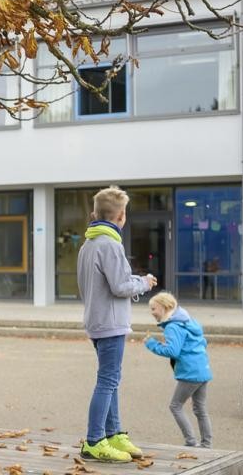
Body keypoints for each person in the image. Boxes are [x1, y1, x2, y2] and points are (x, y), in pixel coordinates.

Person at [75, 186, 156, 463]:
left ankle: (113, 433)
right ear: (121, 216)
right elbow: (120, 286)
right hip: (110, 323)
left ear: (95, 214)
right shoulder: (110, 244)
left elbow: (102, 283)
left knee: (111, 380)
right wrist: (144, 283)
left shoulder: (88, 245)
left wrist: (134, 281)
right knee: (108, 380)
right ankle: (95, 440)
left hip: (97, 320)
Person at [143, 293, 212, 448]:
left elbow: (173, 351)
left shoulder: (172, 326)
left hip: (190, 373)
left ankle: (191, 442)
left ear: (164, 307)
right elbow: (203, 342)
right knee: (200, 409)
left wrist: (152, 343)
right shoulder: (189, 322)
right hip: (203, 369)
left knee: (175, 406)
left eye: (153, 308)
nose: (152, 312)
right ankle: (206, 445)